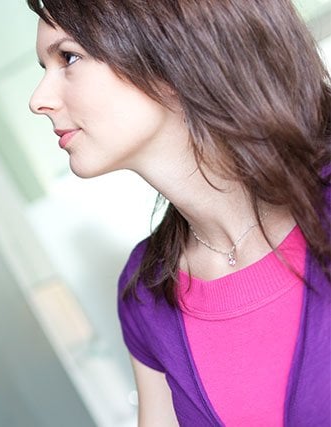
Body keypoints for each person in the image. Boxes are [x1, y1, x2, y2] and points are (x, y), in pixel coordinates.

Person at [27, 0, 331, 425]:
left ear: (167, 53)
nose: (38, 100)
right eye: (44, 67)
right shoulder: (146, 294)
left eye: (69, 57)